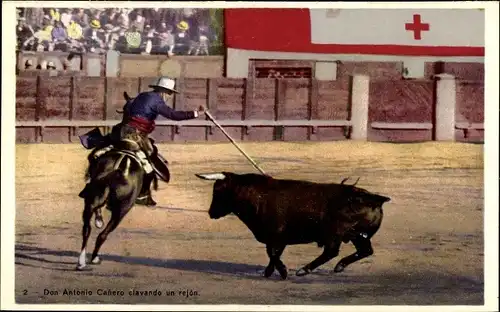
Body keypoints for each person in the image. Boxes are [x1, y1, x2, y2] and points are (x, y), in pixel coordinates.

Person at [110, 76, 205, 206]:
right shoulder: (157, 102)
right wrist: (196, 113)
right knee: (149, 165)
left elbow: (128, 108)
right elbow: (174, 115)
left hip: (121, 132)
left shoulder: (142, 95)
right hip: (136, 136)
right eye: (170, 92)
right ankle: (142, 195)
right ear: (163, 91)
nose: (170, 96)